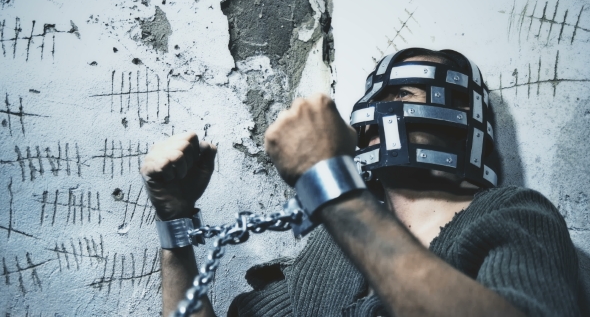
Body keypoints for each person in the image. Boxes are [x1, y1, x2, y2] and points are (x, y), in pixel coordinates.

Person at [140, 48, 580, 317]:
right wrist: (175, 226)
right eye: (375, 98)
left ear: (465, 122)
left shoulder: (514, 213)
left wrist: (330, 183)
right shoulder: (329, 256)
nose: (380, 109)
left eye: (405, 94)